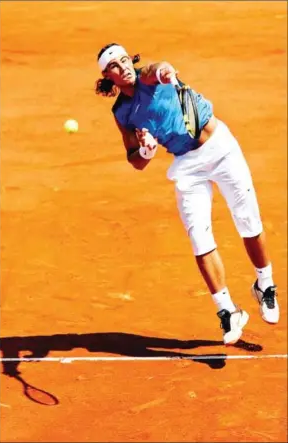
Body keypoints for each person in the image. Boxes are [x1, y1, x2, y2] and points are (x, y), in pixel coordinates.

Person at [95, 43, 280, 345]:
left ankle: (265, 284)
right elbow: (135, 160)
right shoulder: (122, 112)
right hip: (187, 166)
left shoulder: (149, 77)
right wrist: (145, 149)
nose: (123, 66)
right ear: (108, 76)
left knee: (248, 220)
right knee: (199, 237)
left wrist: (166, 72)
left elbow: (159, 69)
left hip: (220, 148)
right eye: (115, 65)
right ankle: (227, 311)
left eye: (125, 60)